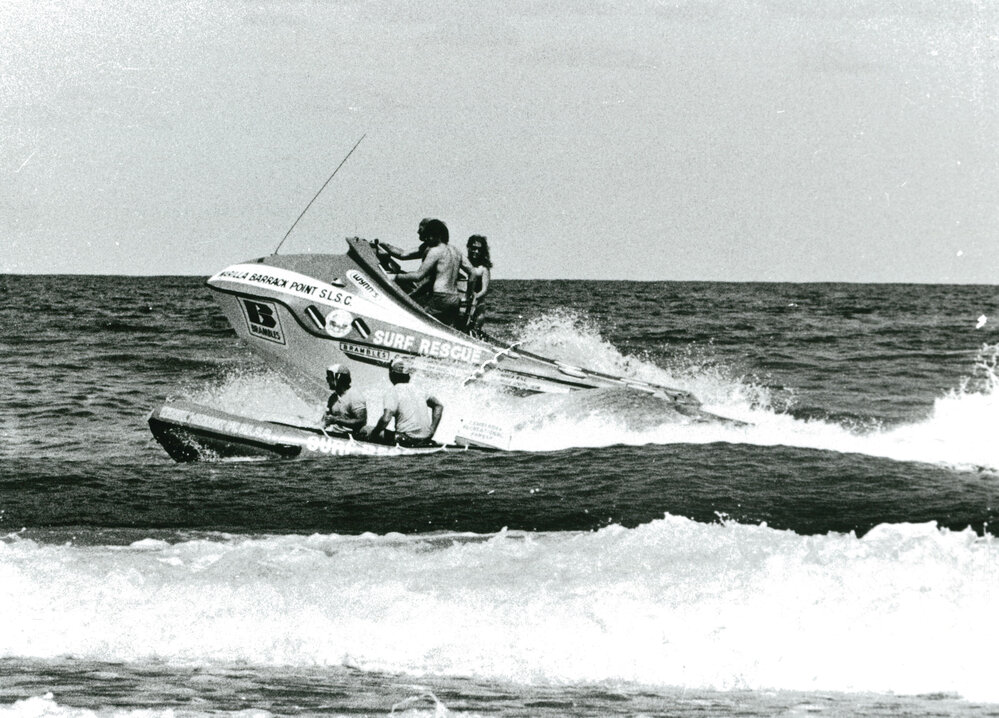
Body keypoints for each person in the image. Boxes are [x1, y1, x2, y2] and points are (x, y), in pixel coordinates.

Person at [390, 219, 481, 327]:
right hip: (454, 299)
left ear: (436, 235)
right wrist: (467, 295)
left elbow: (418, 276)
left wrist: (395, 277)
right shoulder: (456, 251)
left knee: (418, 323)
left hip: (439, 298)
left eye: (429, 236)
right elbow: (473, 273)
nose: (427, 239)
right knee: (446, 329)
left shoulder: (435, 251)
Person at [368, 359, 443, 447]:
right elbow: (439, 406)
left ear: (391, 374)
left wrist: (373, 434)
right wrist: (432, 430)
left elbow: (386, 419)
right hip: (426, 438)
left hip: (406, 439)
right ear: (408, 375)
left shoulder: (393, 391)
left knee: (366, 429)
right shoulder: (419, 389)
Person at [321, 364, 367, 437]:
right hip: (335, 436)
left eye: (329, 378)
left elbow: (361, 421)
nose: (327, 381)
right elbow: (325, 420)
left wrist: (336, 420)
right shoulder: (333, 397)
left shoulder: (355, 396)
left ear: (338, 378)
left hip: (351, 438)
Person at [461, 235, 492, 334]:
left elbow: (484, 290)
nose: (476, 252)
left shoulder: (483, 269)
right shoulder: (462, 263)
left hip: (476, 306)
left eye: (479, 249)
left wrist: (473, 298)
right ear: (468, 247)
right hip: (461, 304)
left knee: (473, 331)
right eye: (474, 248)